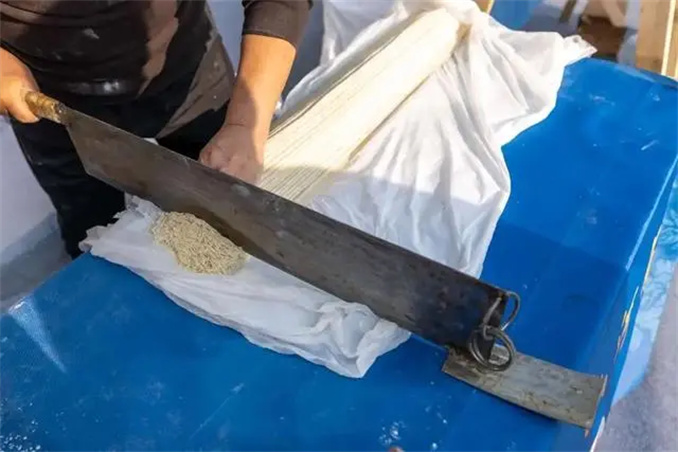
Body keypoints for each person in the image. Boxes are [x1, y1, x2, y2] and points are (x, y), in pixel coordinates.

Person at [0, 0, 310, 257]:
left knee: (228, 209)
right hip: (48, 100)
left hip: (186, 74)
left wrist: (245, 125)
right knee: (89, 232)